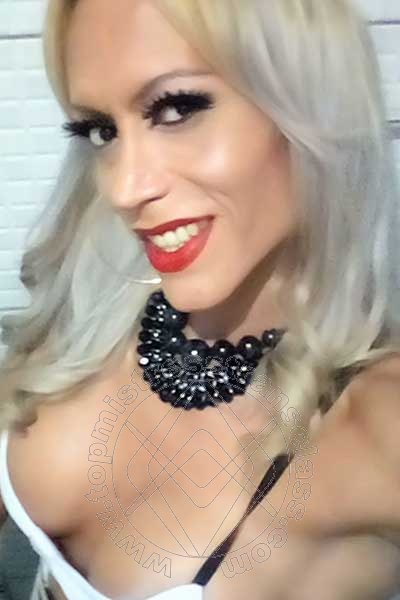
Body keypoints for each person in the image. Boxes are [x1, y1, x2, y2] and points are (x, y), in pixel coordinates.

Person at [1, 0, 400, 598]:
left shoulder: (378, 420)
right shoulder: (89, 308)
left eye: (177, 108)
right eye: (102, 131)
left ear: (313, 105)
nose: (124, 189)